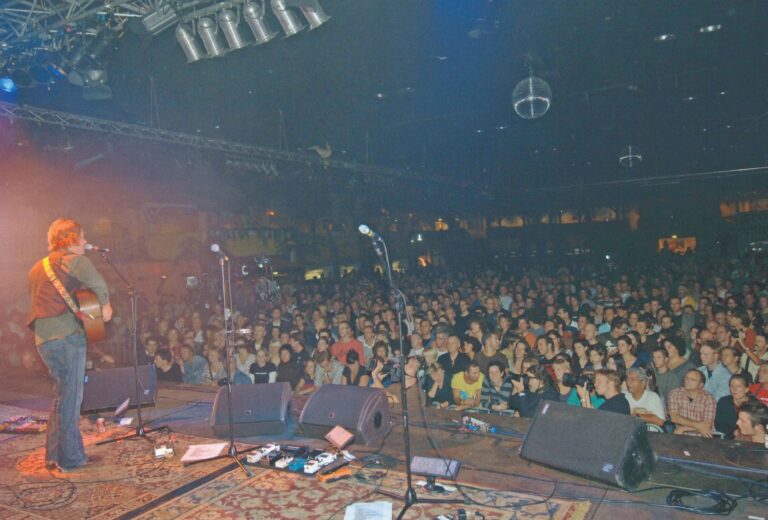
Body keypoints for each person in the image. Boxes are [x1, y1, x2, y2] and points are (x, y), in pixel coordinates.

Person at [28, 218, 113, 472]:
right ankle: (73, 458)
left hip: (43, 340)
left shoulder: (36, 267)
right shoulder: (77, 260)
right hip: (67, 337)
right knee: (72, 399)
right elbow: (98, 284)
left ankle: (53, 455)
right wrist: (105, 305)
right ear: (71, 239)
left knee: (61, 396)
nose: (86, 242)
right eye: (82, 237)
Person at [667, 369, 717, 437]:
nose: (687, 381)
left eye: (693, 380)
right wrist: (698, 425)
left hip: (702, 437)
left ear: (700, 385)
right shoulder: (675, 393)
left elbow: (706, 426)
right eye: (686, 378)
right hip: (682, 436)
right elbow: (674, 418)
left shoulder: (708, 399)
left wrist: (683, 428)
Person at [624, 367, 665, 431]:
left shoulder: (653, 397)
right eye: (627, 379)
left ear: (643, 383)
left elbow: (660, 421)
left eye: (632, 379)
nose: (628, 382)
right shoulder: (624, 396)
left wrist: (637, 416)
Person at [715, 375, 752, 439]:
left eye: (738, 386)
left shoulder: (754, 404)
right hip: (726, 439)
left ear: (746, 389)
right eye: (732, 386)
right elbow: (719, 425)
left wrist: (740, 432)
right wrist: (733, 432)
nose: (734, 389)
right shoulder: (724, 401)